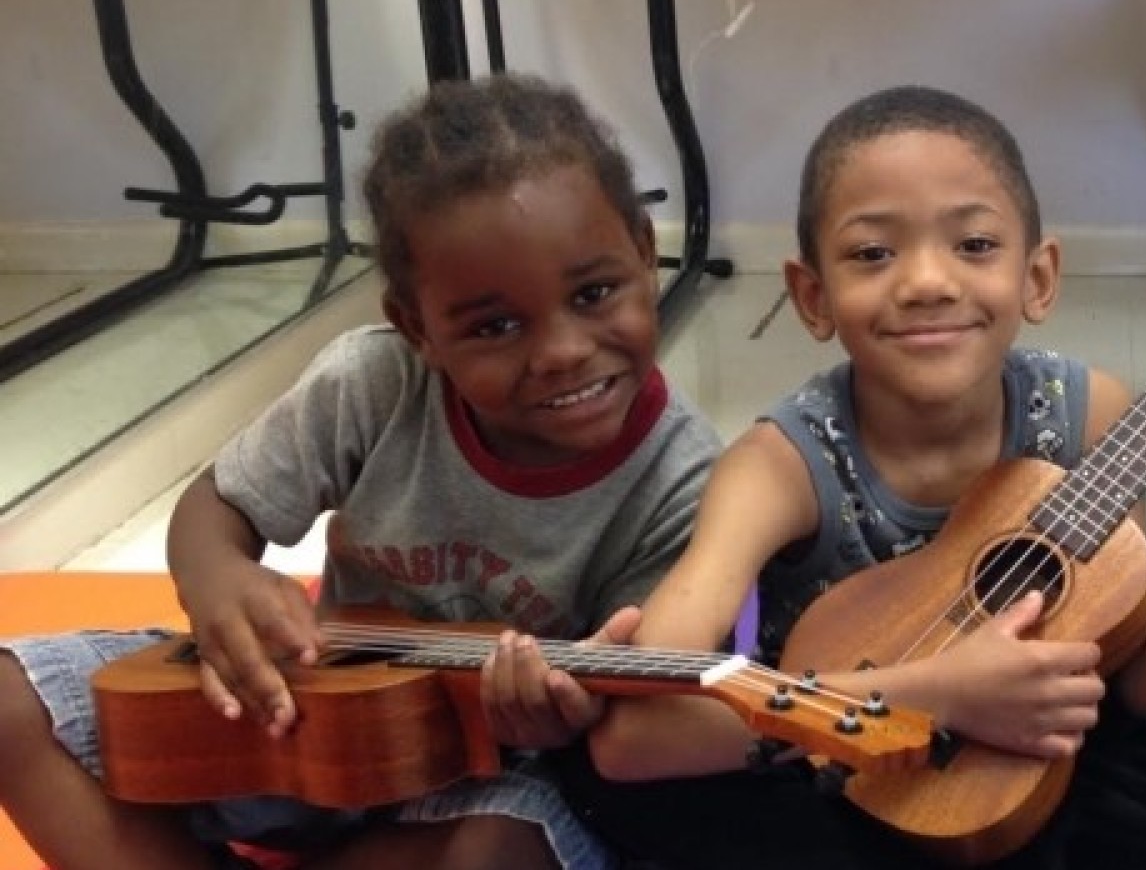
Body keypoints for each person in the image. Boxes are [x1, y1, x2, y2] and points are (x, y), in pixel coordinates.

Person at [562, 85, 1146, 868]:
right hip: (845, 774)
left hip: (1033, 759)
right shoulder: (778, 466)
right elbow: (640, 733)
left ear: (1038, 277)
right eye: (873, 253)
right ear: (812, 295)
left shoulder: (1087, 411)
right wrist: (941, 691)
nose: (929, 282)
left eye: (974, 246)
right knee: (636, 787)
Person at [0, 73, 723, 870]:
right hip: (291, 724)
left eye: (594, 292)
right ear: (416, 327)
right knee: (7, 702)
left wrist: (561, 714)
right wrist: (217, 582)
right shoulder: (372, 383)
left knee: (504, 851)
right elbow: (213, 509)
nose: (560, 351)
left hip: (474, 778)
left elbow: (627, 697)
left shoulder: (687, 482)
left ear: (646, 253)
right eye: (496, 325)